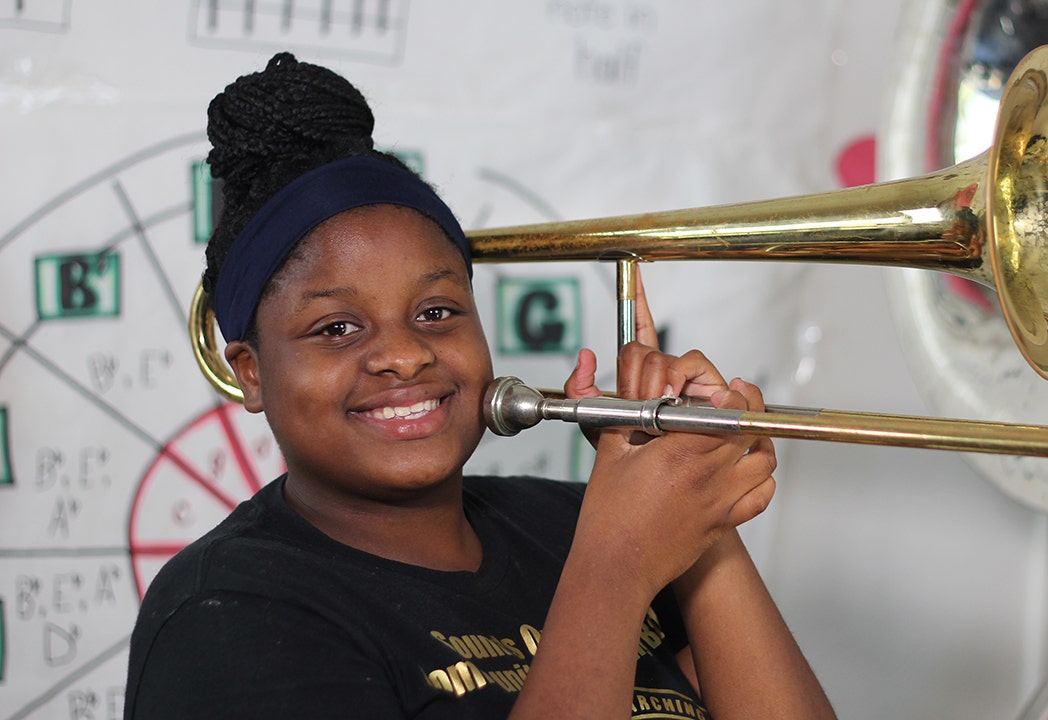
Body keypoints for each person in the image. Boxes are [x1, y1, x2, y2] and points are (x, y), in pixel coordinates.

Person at [123, 52, 835, 720]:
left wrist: (698, 495)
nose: (403, 356)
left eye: (436, 312)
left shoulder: (574, 522)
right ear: (249, 371)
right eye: (336, 328)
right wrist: (621, 559)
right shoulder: (228, 609)